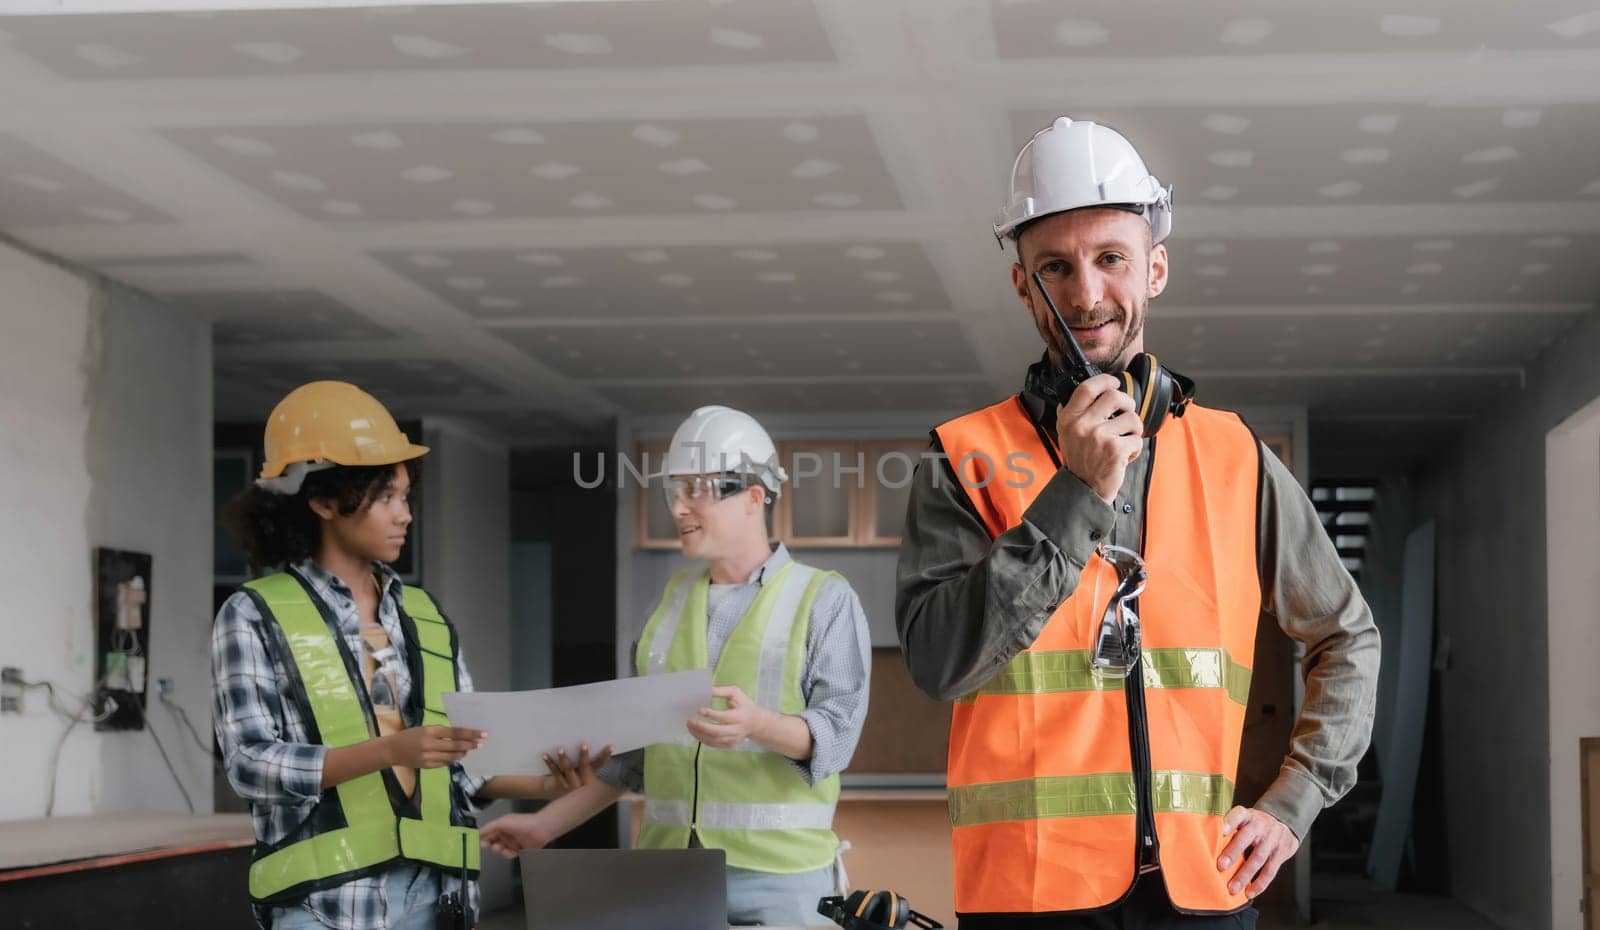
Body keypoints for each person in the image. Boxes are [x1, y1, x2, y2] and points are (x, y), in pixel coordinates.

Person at [894, 117, 1381, 929]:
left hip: (1204, 891)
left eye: (1110, 258)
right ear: (1024, 285)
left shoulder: (1235, 455)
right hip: (1032, 897)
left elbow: (1348, 636)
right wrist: (1076, 492)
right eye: (1055, 266)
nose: (1085, 294)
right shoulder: (964, 458)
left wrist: (1292, 803)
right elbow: (941, 663)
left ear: (1154, 268)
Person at [212, 380, 607, 930]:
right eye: (384, 498)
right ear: (323, 501)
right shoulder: (255, 613)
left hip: (438, 898)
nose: (405, 516)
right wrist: (389, 749)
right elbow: (252, 764)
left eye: (404, 497)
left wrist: (549, 784)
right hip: (326, 906)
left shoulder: (422, 616)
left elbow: (462, 762)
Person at [479, 405, 873, 928]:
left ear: (754, 496)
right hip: (669, 874)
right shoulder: (667, 604)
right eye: (673, 491)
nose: (679, 507)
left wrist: (758, 724)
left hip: (780, 880)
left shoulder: (823, 599)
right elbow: (635, 759)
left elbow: (838, 737)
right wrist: (545, 826)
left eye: (696, 490)